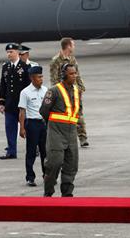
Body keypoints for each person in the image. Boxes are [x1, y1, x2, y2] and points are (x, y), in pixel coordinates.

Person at [40, 63, 81, 197]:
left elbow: (78, 110)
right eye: (71, 74)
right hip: (56, 132)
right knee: (54, 162)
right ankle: (48, 192)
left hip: (71, 132)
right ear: (64, 75)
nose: (74, 76)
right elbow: (44, 111)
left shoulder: (76, 90)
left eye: (75, 73)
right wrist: (53, 125)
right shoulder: (54, 90)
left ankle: (67, 194)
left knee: (71, 164)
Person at [49, 38, 89, 147]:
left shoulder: (72, 59)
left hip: (75, 91)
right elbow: (54, 79)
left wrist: (81, 87)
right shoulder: (56, 61)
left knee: (78, 113)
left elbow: (77, 75)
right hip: (63, 92)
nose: (74, 47)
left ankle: (82, 138)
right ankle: (65, 138)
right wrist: (59, 93)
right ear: (68, 46)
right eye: (73, 45)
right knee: (64, 115)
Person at [0, 43, 28, 159]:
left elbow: (28, 86)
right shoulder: (5, 67)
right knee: (10, 128)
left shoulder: (25, 67)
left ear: (17, 53)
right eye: (7, 52)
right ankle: (11, 151)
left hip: (22, 105)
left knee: (27, 127)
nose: (9, 54)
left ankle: (34, 148)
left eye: (11, 52)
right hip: (9, 105)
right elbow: (3, 85)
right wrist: (1, 102)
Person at [19, 65, 47, 187]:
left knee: (45, 151)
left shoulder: (46, 90)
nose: (41, 79)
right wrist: (22, 128)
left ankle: (47, 175)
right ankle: (30, 177)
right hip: (32, 124)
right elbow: (22, 111)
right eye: (39, 77)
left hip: (44, 123)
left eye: (42, 76)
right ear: (32, 78)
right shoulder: (25, 92)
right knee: (31, 152)